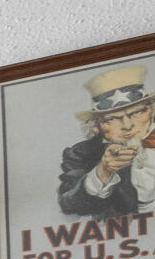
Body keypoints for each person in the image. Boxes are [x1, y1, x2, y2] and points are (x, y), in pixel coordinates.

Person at [58, 63, 154, 220]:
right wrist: (104, 171)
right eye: (112, 119)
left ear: (151, 111)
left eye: (137, 112)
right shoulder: (83, 154)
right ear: (95, 126)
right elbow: (69, 204)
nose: (128, 125)